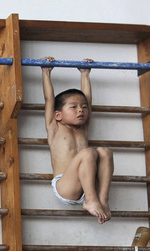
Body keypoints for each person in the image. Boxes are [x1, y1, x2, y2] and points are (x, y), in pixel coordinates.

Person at [42, 58, 113, 223]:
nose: (80, 110)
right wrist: (46, 72)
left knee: (104, 152)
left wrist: (85, 73)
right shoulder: (54, 127)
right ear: (58, 114)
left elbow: (88, 99)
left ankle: (102, 200)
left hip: (87, 184)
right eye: (73, 107)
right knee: (88, 153)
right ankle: (91, 199)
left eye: (83, 108)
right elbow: (49, 100)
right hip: (66, 186)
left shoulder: (83, 127)